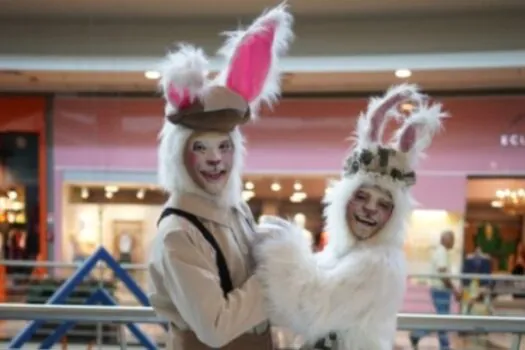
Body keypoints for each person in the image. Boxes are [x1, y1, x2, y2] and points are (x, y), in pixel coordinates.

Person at [253, 84, 447, 350]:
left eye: (383, 204)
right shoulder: (346, 251)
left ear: (394, 215)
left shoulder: (379, 262)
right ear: (343, 199)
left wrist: (285, 246)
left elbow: (311, 306)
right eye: (362, 197)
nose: (369, 209)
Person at [147, 4, 293, 349]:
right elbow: (214, 326)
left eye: (224, 146)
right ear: (179, 155)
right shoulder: (177, 234)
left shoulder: (236, 210)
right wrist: (276, 269)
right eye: (200, 147)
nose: (215, 159)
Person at [409, 230, 461, 350]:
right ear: (445, 239)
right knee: (442, 319)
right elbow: (442, 273)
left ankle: (418, 334)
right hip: (441, 291)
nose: (453, 242)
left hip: (441, 290)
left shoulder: (442, 252)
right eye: (452, 239)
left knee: (441, 319)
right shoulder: (442, 252)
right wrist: (454, 290)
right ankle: (443, 345)